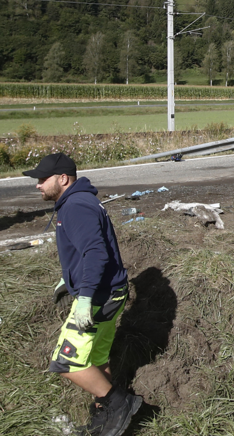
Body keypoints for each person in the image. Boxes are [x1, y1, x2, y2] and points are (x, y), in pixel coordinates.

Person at [24, 153, 142, 436]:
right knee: (96, 359)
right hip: (111, 291)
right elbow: (85, 250)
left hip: (100, 296)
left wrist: (85, 297)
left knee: (66, 363)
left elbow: (96, 252)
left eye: (43, 179)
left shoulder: (76, 206)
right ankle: (105, 416)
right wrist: (67, 280)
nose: (38, 185)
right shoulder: (77, 201)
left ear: (63, 179)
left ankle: (120, 404)